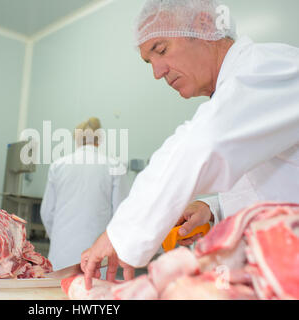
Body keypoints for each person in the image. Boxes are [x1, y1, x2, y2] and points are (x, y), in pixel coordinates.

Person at [81, 0, 299, 289]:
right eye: (149, 62)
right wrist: (212, 208)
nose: (157, 72)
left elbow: (203, 143)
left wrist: (120, 234)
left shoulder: (268, 67)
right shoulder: (234, 93)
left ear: (205, 27)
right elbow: (276, 181)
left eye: (161, 50)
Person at [40, 117, 130, 271]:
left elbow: (47, 213)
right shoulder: (114, 165)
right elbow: (122, 214)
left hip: (61, 253)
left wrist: (59, 237)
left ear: (76, 139)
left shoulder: (58, 165)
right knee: (92, 292)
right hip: (97, 255)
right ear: (100, 138)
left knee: (56, 292)